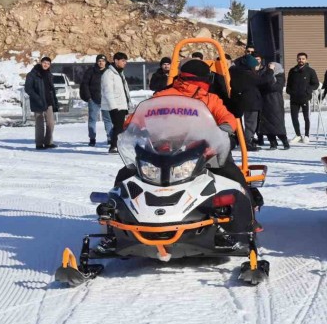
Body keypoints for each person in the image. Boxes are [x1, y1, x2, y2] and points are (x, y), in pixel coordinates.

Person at [104, 59, 261, 252]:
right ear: (206, 79)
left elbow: (134, 119)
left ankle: (113, 228)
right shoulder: (206, 98)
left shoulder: (162, 96)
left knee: (124, 176)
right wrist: (134, 128)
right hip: (184, 150)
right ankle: (247, 222)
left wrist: (220, 132)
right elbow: (228, 119)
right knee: (233, 177)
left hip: (182, 151)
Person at [229, 53, 273, 151]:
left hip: (238, 101)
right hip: (251, 102)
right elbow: (262, 80)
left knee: (241, 123)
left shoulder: (235, 72)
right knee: (251, 124)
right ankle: (247, 143)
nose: (256, 68)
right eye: (255, 66)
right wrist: (270, 70)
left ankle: (241, 140)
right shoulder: (247, 74)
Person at [24, 56, 59, 149]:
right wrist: (37, 98)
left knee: (51, 123)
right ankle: (39, 144)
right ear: (41, 63)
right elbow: (28, 88)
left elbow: (51, 89)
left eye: (48, 64)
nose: (46, 65)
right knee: (39, 124)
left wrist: (54, 101)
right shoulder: (32, 74)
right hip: (38, 102)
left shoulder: (49, 74)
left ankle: (48, 142)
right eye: (44, 63)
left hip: (49, 102)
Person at [101, 52, 132, 154]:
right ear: (116, 61)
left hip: (122, 104)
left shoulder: (120, 73)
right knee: (118, 126)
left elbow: (125, 90)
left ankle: (117, 145)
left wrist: (128, 103)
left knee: (120, 126)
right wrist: (113, 107)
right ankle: (114, 146)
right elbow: (108, 91)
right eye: (123, 61)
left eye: (125, 61)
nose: (125, 63)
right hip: (115, 105)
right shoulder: (108, 74)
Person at [79, 54, 113, 146]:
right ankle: (92, 138)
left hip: (106, 100)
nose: (101, 63)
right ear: (97, 62)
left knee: (108, 120)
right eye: (99, 61)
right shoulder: (91, 71)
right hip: (94, 99)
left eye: (103, 61)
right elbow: (85, 84)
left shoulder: (110, 71)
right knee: (92, 120)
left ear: (105, 62)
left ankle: (110, 138)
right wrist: (88, 97)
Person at [286, 52, 319, 143]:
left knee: (306, 117)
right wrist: (289, 91)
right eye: (299, 58)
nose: (301, 60)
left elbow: (315, 84)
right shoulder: (292, 70)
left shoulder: (310, 71)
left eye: (303, 59)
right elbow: (288, 83)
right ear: (297, 59)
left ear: (306, 60)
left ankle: (306, 135)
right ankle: (298, 135)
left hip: (305, 98)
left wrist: (308, 90)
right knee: (294, 117)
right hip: (294, 98)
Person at [260, 62, 290, 150]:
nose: (269, 68)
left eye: (271, 67)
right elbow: (261, 85)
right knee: (267, 124)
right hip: (265, 102)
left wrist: (270, 74)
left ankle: (285, 142)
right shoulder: (265, 75)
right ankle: (272, 143)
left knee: (278, 123)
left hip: (276, 102)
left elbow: (274, 87)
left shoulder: (280, 76)